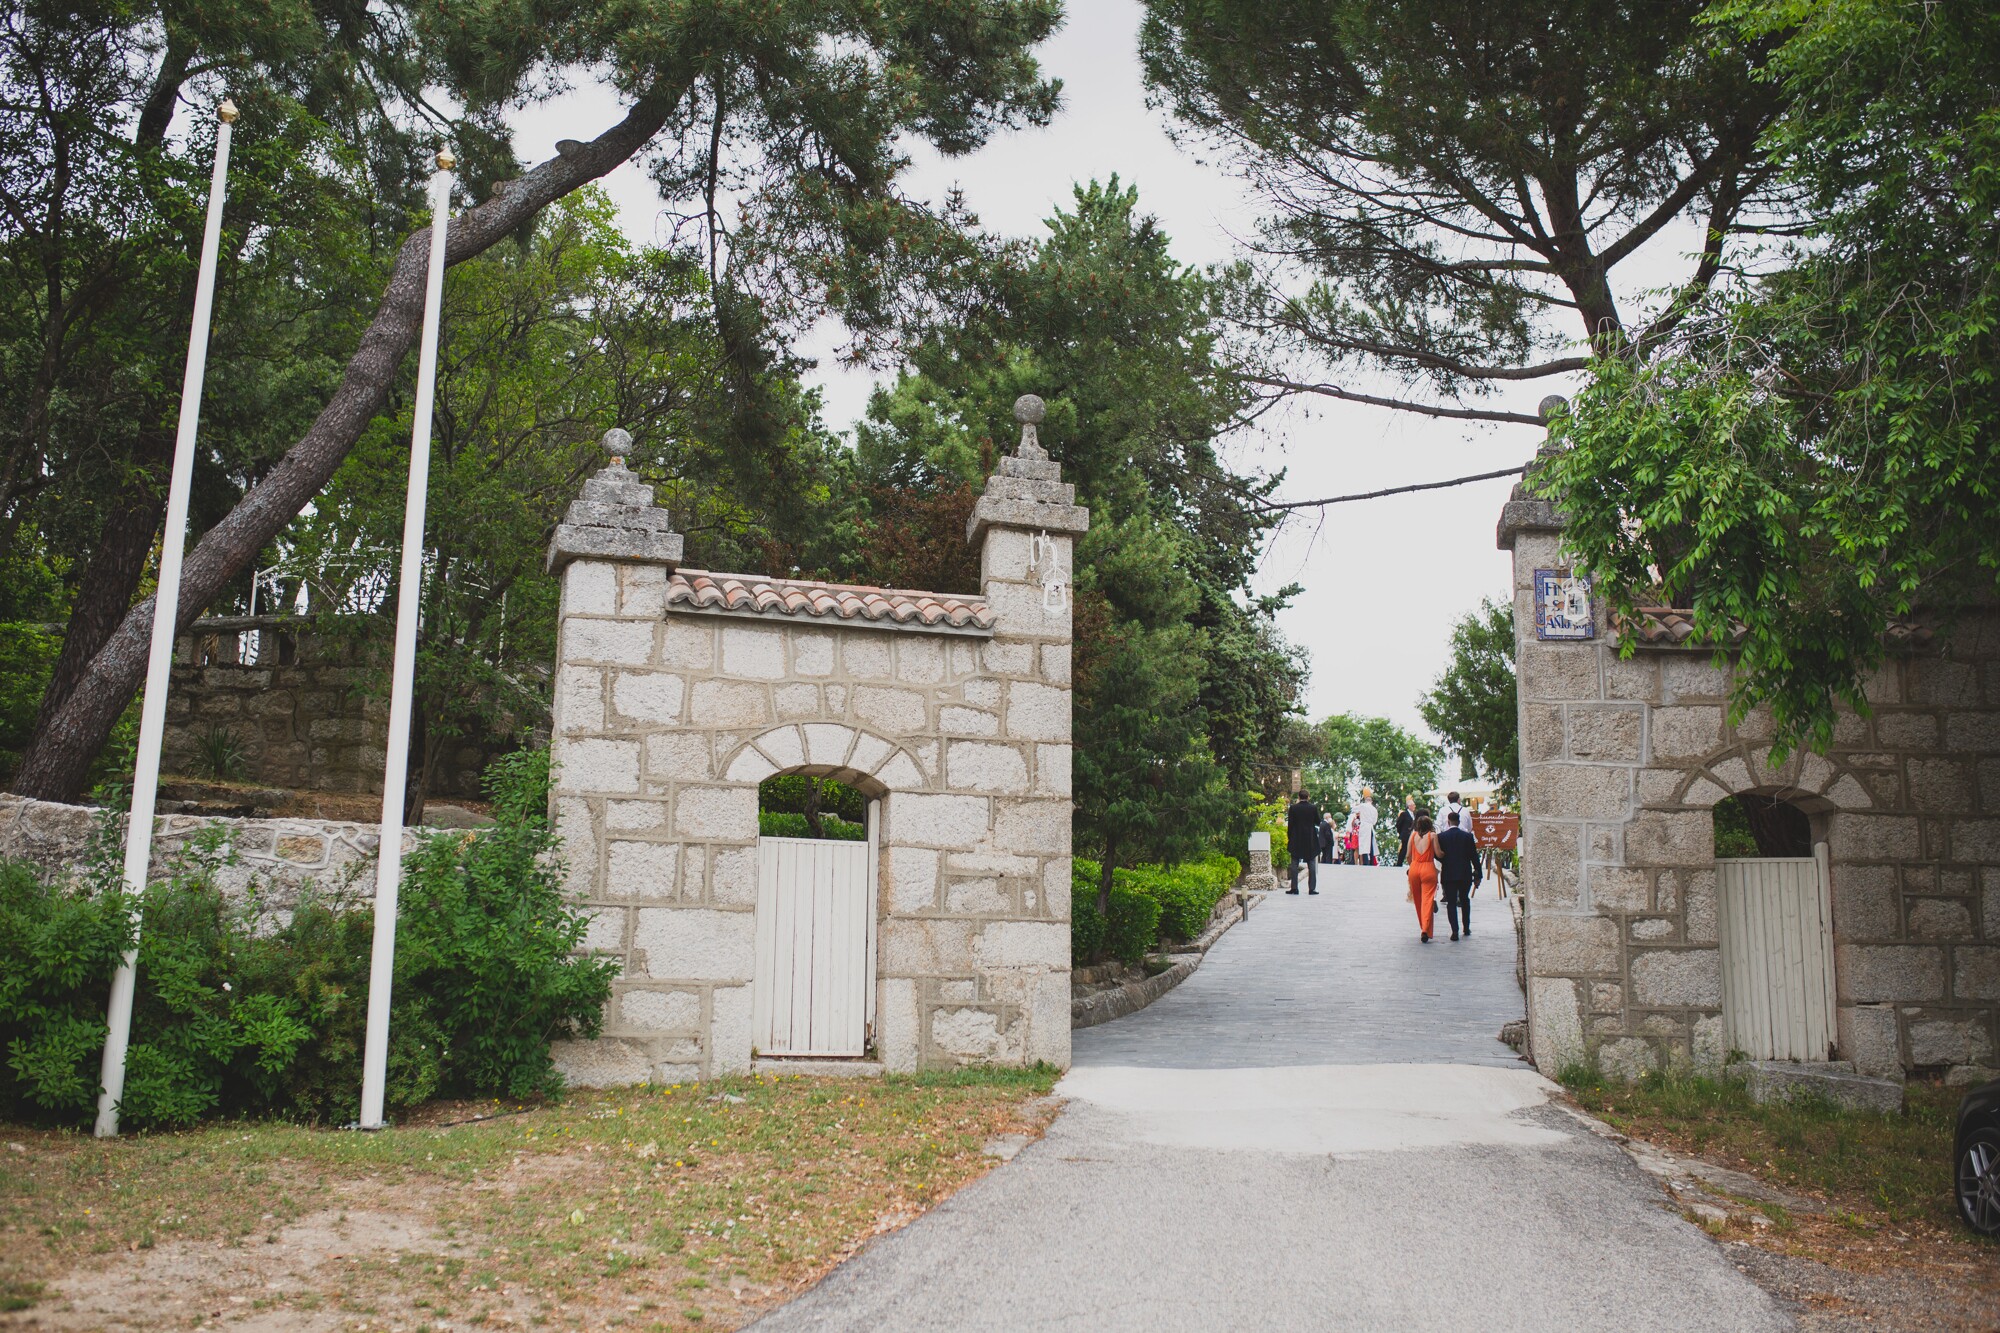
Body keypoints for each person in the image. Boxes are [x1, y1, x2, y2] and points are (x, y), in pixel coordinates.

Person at [1437, 810, 1483, 941]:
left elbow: (1438, 855)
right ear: (1459, 822)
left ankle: (1454, 931)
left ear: (1448, 822)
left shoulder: (1441, 837)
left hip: (1448, 874)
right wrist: (1478, 874)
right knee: (1464, 900)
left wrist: (1445, 861)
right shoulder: (1467, 837)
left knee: (1451, 903)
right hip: (1464, 873)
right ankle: (1466, 927)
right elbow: (1474, 856)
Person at [1405, 812, 1439, 942]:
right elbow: (1439, 853)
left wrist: (1412, 866)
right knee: (1427, 900)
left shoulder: (1413, 835)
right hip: (1428, 868)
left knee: (1418, 901)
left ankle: (1423, 927)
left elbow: (1408, 855)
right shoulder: (1432, 836)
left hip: (1414, 868)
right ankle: (1425, 929)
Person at [1285, 791, 1322, 895]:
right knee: (1311, 863)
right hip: (1310, 838)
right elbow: (1318, 821)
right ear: (1308, 797)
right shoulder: (1313, 808)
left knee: (1294, 863)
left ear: (1299, 797)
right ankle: (1312, 888)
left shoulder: (1293, 808)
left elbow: (1290, 824)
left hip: (1296, 837)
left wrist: (1290, 837)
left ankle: (1294, 888)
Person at [1353, 787, 1380, 865]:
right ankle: (1371, 862)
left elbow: (1354, 809)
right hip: (1370, 827)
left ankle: (1365, 862)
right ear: (1371, 801)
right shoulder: (1374, 809)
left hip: (1364, 826)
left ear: (1365, 800)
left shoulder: (1363, 806)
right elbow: (1374, 821)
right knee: (1371, 844)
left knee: (1364, 845)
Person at [1396, 796, 1417, 866]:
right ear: (1409, 806)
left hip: (1413, 834)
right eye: (1413, 805)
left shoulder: (1414, 814)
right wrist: (1401, 832)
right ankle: (1399, 863)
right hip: (1406, 835)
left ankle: (1412, 864)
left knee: (1413, 849)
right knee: (1404, 849)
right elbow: (1398, 824)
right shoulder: (1404, 814)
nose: (1415, 806)